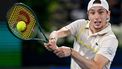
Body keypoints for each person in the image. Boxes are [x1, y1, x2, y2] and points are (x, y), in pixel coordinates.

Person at [44, 0, 118, 69]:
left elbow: (96, 67)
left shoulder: (110, 39)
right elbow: (57, 33)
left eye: (101, 12)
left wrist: (71, 52)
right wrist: (52, 40)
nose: (96, 17)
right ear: (88, 15)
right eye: (92, 13)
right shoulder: (80, 24)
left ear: (108, 14)